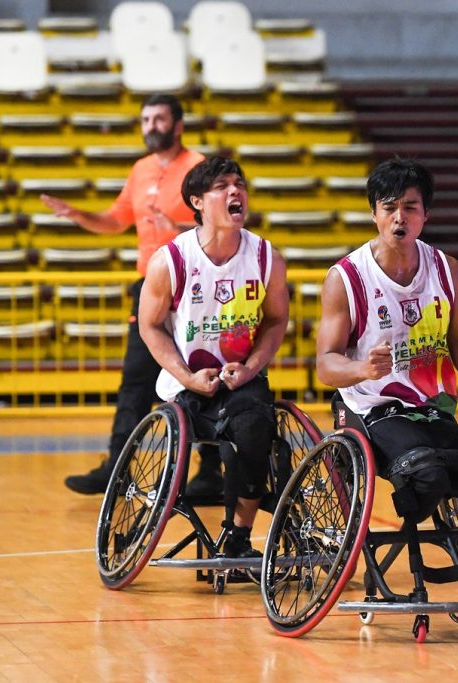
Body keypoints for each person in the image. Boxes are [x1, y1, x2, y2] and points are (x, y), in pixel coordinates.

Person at [40, 94, 222, 497]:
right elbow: (115, 220)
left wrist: (173, 225)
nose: (151, 125)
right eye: (145, 119)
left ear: (178, 125)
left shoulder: (201, 168)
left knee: (204, 371)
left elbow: (219, 227)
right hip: (151, 286)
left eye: (159, 119)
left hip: (195, 284)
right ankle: (116, 469)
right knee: (135, 380)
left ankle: (212, 472)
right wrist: (77, 214)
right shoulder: (140, 170)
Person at [315, 157, 458, 527]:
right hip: (372, 406)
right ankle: (407, 552)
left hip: (430, 406)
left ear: (426, 215)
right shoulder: (345, 278)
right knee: (427, 477)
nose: (399, 217)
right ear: (374, 214)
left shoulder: (446, 269)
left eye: (410, 207)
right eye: (389, 208)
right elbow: (326, 363)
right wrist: (363, 367)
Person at [139, 155, 289, 559]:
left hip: (242, 380)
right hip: (188, 387)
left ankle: (239, 536)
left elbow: (276, 320)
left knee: (254, 431)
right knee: (226, 432)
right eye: (222, 186)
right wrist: (186, 377)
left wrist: (252, 367)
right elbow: (149, 326)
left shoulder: (265, 257)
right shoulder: (170, 260)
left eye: (239, 184)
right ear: (198, 201)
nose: (235, 191)